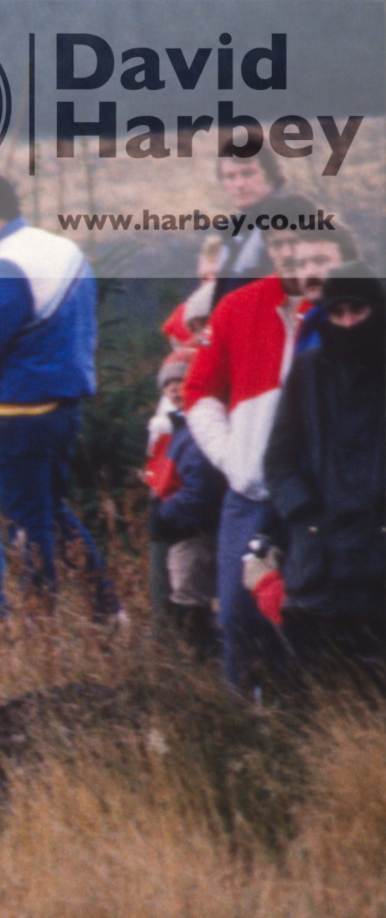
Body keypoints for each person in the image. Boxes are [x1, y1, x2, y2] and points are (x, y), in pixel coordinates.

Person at [0, 170, 98, 618]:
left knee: (29, 524)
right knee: (51, 511)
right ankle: (105, 605)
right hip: (64, 407)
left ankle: (41, 624)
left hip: (21, 413)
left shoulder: (7, 263)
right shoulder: (62, 249)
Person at [183, 191, 324, 691]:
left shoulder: (342, 307)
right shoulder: (240, 307)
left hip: (316, 500)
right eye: (278, 241)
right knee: (239, 616)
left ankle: (314, 730)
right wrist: (231, 457)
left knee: (307, 618)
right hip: (252, 495)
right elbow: (197, 391)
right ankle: (245, 727)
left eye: (298, 241)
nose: (288, 252)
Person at [256, 263, 385, 691]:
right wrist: (305, 514)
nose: (348, 322)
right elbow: (278, 458)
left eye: (358, 311)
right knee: (312, 697)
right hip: (319, 563)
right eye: (338, 312)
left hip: (377, 561)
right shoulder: (309, 371)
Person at [147, 355, 226, 661]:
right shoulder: (179, 427)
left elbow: (200, 490)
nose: (174, 389)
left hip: (194, 533)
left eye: (180, 380)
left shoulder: (195, 429)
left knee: (190, 600)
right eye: (168, 383)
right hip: (183, 529)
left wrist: (164, 515)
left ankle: (199, 668)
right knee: (186, 597)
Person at [213, 152, 288, 298]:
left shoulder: (288, 220)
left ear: (271, 177)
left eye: (248, 174)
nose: (239, 184)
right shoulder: (235, 231)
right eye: (230, 177)